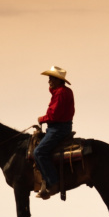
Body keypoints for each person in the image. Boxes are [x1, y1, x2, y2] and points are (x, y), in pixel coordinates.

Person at [33, 66, 73, 199]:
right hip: (63, 126)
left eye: (51, 78)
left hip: (57, 128)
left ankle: (53, 183)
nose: (49, 81)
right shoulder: (63, 91)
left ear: (58, 80)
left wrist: (41, 119)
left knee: (39, 152)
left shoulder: (60, 93)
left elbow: (54, 115)